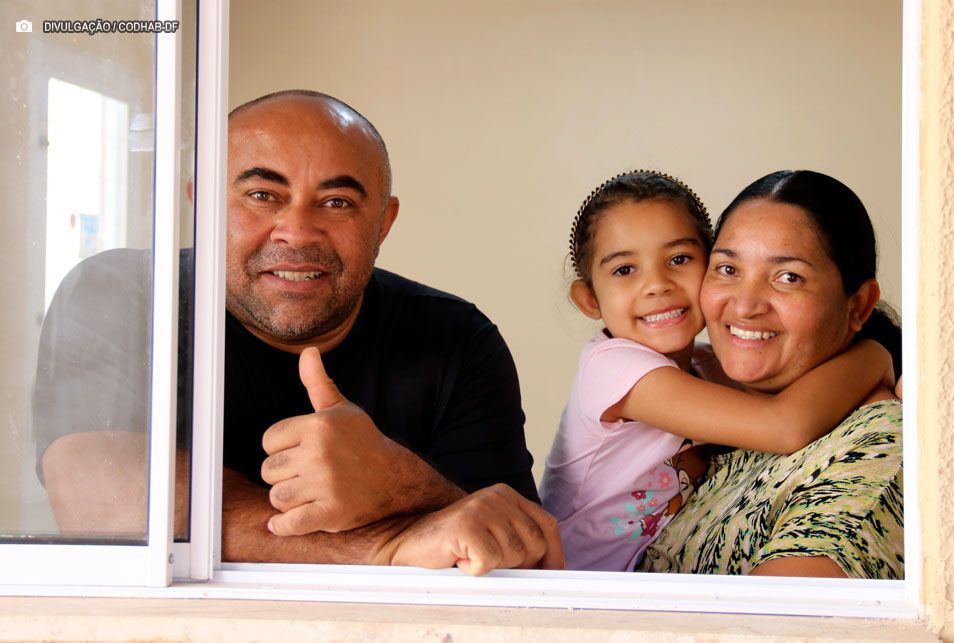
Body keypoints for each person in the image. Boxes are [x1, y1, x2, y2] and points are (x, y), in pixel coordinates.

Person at [34, 90, 562, 575]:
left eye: (337, 203)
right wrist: (384, 545)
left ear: (382, 223)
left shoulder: (457, 340)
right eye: (262, 194)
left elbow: (517, 548)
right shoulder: (124, 293)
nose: (297, 231)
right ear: (202, 203)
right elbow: (99, 494)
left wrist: (398, 482)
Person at [539, 170, 894, 572]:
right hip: (575, 591)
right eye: (625, 269)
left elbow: (807, 401)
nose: (657, 285)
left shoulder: (710, 367)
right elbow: (784, 424)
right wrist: (876, 357)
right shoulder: (613, 369)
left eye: (679, 260)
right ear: (589, 299)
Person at [639, 169, 904, 579]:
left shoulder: (875, 448)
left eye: (788, 277)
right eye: (727, 269)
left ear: (859, 305)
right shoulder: (711, 396)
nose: (745, 305)